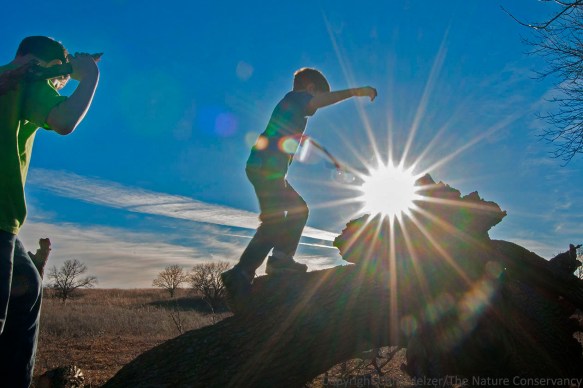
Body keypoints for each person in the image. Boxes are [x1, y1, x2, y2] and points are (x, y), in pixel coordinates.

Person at [221, 67, 376, 310]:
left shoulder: (291, 114)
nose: (314, 109)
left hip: (268, 170)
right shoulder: (294, 99)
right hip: (265, 169)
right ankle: (241, 273)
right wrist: (356, 91)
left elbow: (299, 142)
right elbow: (317, 103)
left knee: (298, 210)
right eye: (316, 98)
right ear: (311, 89)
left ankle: (280, 260)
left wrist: (330, 159)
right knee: (276, 220)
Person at [0, 36, 99, 387]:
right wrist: (88, 78)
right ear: (44, 66)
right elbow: (63, 120)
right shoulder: (29, 81)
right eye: (58, 80)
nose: (58, 88)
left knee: (29, 290)